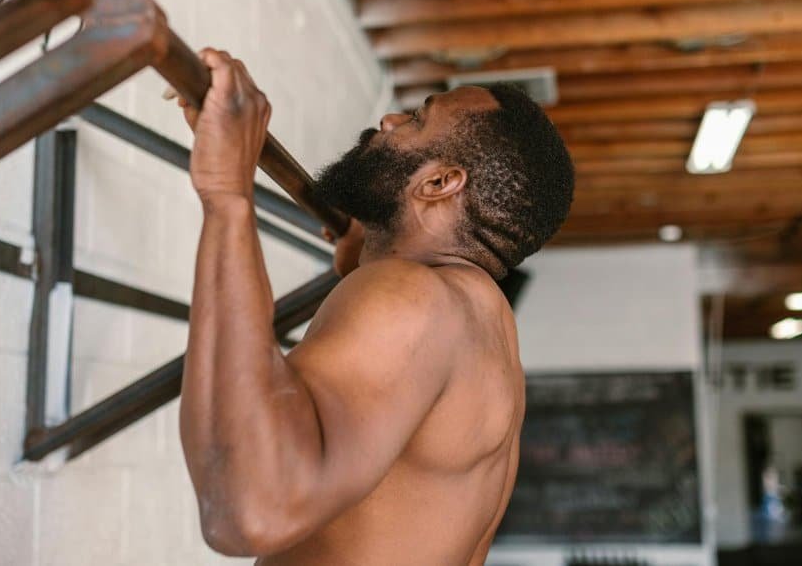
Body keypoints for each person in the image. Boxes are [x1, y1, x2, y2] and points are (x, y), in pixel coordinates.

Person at [167, 49, 574, 565]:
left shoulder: (415, 297)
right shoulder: (484, 323)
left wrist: (227, 193)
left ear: (439, 183)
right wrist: (371, 259)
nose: (389, 120)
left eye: (418, 119)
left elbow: (251, 508)